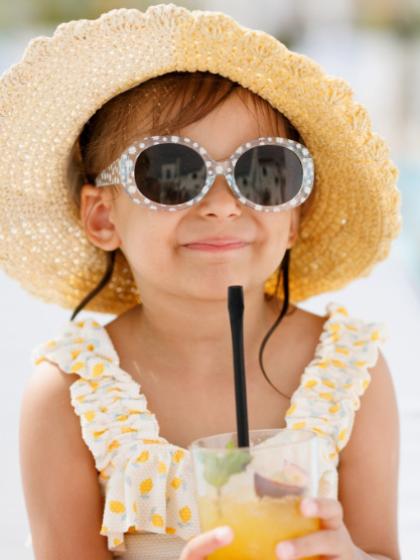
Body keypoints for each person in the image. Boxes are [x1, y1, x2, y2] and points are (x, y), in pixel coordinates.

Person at [0, 4, 401, 560]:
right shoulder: (71, 393)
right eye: (170, 173)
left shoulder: (346, 370)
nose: (220, 206)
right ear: (102, 217)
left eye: (263, 172)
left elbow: (382, 550)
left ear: (294, 217)